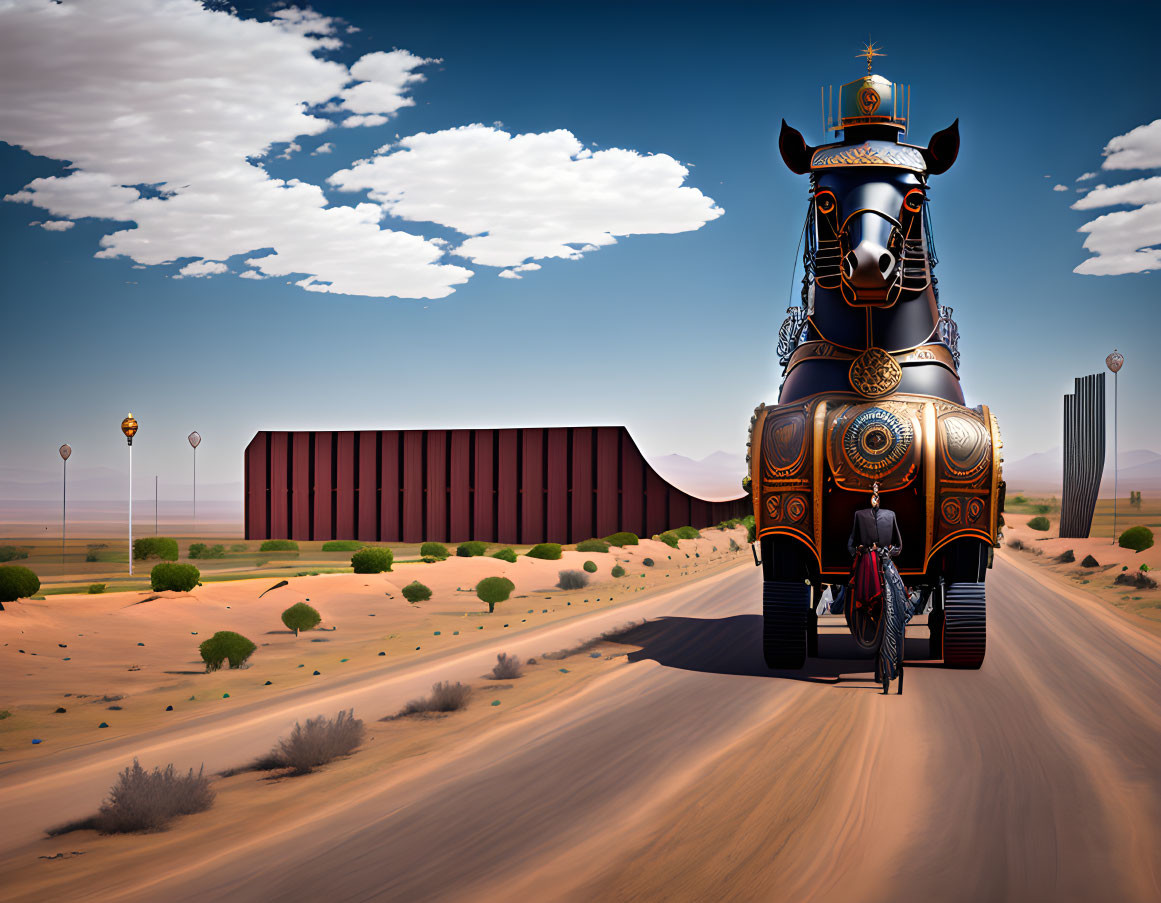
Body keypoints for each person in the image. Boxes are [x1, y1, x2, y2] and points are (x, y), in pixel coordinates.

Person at [847, 482, 912, 694]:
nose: (875, 496)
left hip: (885, 566)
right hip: (867, 568)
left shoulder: (890, 516)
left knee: (900, 597)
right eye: (872, 492)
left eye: (877, 492)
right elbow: (850, 545)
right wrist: (862, 550)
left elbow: (899, 546)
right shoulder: (859, 516)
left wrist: (887, 552)